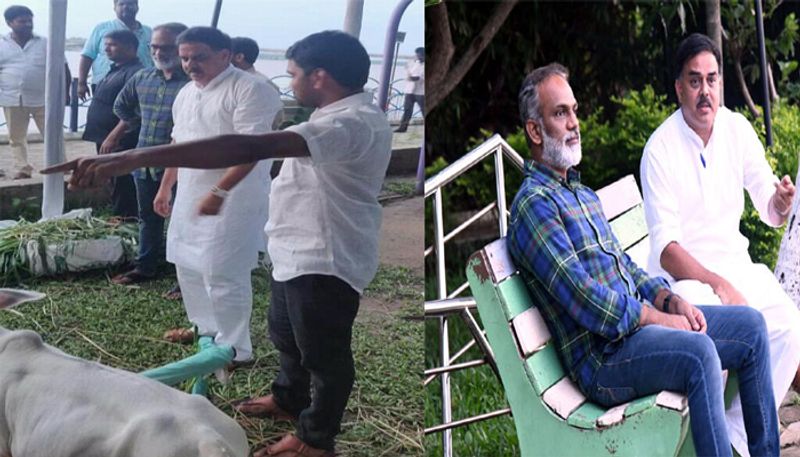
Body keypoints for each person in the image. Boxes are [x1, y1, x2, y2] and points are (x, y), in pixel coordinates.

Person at [43, 30, 392, 457]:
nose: (289, 83)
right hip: (297, 248)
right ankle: (288, 398)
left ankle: (315, 438)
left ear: (319, 76)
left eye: (293, 74)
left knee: (323, 353)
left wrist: (131, 157)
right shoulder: (326, 115)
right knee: (286, 335)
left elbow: (248, 145)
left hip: (327, 254)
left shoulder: (350, 122)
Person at [506, 63, 777, 457]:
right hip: (603, 359)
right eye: (560, 113)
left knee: (751, 328)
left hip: (634, 336)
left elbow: (628, 267)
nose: (574, 123)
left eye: (575, 111)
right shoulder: (534, 207)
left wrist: (673, 301)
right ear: (534, 130)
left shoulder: (580, 193)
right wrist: (657, 317)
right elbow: (584, 298)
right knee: (699, 353)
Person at [640, 33, 800, 457]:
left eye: (712, 79)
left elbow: (768, 205)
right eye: (695, 81)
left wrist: (780, 201)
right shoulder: (660, 148)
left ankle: (735, 437)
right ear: (678, 88)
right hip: (686, 281)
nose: (705, 91)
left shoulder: (737, 128)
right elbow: (666, 249)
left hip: (735, 266)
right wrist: (717, 284)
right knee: (732, 325)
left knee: (789, 325)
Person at [156, 26, 280, 367]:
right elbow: (177, 144)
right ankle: (205, 330)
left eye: (199, 57)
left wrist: (219, 191)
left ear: (225, 55)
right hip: (191, 191)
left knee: (224, 270)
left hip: (234, 196)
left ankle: (236, 349)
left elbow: (252, 149)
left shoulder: (251, 89)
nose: (190, 65)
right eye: (185, 58)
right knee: (188, 265)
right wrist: (166, 185)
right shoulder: (186, 93)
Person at [107, 22, 189, 287]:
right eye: (154, 46)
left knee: (182, 223)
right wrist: (135, 125)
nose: (158, 52)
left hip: (182, 167)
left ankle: (183, 277)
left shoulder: (193, 85)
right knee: (148, 218)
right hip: (145, 165)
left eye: (166, 47)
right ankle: (146, 266)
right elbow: (121, 106)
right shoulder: (143, 78)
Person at [0, 5, 69, 180]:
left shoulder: (47, 42)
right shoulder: (1, 44)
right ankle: (23, 168)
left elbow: (63, 67)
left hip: (44, 98)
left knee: (53, 134)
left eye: (29, 20)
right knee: (16, 137)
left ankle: (61, 164)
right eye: (22, 21)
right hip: (12, 98)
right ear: (9, 23)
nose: (27, 24)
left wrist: (65, 92)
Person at [82, 30, 143, 219]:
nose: (107, 49)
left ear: (131, 47)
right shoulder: (116, 68)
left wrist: (114, 136)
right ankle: (118, 215)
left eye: (113, 44)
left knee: (122, 180)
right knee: (111, 178)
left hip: (118, 138)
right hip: (104, 135)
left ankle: (125, 218)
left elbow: (134, 110)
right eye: (106, 44)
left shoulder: (135, 73)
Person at [78, 0, 152, 101]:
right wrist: (82, 83)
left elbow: (156, 59)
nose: (126, 7)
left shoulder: (148, 32)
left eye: (130, 3)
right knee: (103, 115)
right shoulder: (102, 29)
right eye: (121, 4)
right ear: (114, 8)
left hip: (142, 85)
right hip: (105, 85)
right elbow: (87, 56)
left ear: (137, 7)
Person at [394, 46, 423, 133]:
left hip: (420, 92)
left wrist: (410, 77)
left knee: (423, 109)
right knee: (407, 110)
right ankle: (403, 127)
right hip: (410, 91)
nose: (418, 56)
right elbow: (409, 73)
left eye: (420, 55)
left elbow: (418, 78)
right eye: (417, 55)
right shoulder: (415, 64)